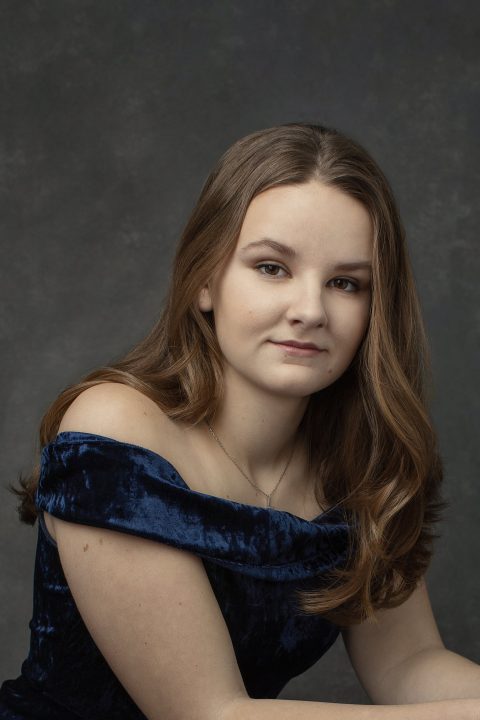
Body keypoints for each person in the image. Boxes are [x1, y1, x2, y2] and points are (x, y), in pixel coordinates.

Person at [1, 122, 479, 720]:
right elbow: (209, 713)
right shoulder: (113, 431)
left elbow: (410, 664)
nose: (309, 311)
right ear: (205, 279)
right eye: (272, 268)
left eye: (345, 283)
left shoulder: (361, 464)